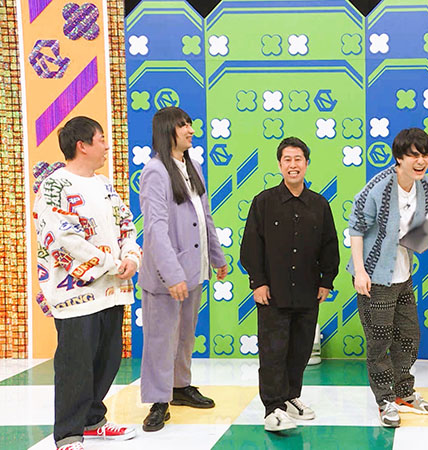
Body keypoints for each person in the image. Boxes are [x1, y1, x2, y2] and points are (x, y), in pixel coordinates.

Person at [34, 116, 141, 450]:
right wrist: (111, 263)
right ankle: (68, 433)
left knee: (107, 360)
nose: (107, 145)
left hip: (112, 291)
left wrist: (132, 256)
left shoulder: (104, 185)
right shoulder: (55, 186)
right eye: (101, 139)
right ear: (82, 145)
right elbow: (64, 240)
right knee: (75, 364)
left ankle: (93, 420)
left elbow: (126, 224)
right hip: (76, 295)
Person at [239, 137, 340, 432]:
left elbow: (329, 245)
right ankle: (273, 408)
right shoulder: (263, 202)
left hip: (308, 292)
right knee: (273, 352)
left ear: (306, 163)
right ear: (279, 164)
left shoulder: (319, 204)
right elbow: (251, 246)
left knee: (300, 351)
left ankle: (290, 396)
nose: (293, 165)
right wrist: (258, 283)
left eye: (298, 159)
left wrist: (326, 281)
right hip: (272, 293)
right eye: (287, 159)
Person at [138, 106, 228, 432]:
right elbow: (155, 229)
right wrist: (172, 274)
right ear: (167, 131)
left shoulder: (193, 166)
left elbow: (205, 217)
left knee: (185, 335)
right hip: (168, 275)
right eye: (183, 125)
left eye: (190, 124)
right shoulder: (154, 172)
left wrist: (216, 257)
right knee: (161, 338)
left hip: (194, 269)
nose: (190, 130)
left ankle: (179, 387)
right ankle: (158, 401)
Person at [348, 128, 428, 428]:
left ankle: (404, 392)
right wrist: (360, 272)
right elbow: (356, 229)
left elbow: (413, 229)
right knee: (379, 341)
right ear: (399, 157)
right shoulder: (378, 188)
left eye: (425, 155)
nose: (421, 161)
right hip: (375, 277)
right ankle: (385, 400)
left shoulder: (424, 185)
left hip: (403, 275)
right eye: (414, 155)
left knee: (409, 335)